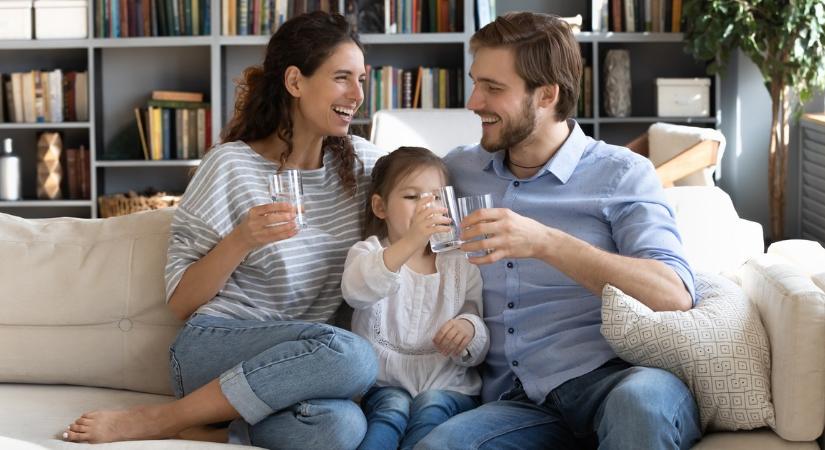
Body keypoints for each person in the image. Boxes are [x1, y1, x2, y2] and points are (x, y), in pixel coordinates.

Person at [63, 11, 385, 450]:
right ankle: (160, 419)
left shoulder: (362, 166)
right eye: (342, 78)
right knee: (354, 356)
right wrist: (242, 239)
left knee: (341, 427)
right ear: (295, 81)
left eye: (362, 80)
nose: (357, 94)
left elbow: (425, 181)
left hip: (299, 367)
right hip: (214, 347)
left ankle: (207, 426)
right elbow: (181, 302)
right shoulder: (231, 166)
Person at [416, 12, 702, 450]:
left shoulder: (621, 173)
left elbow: (674, 295)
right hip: (518, 402)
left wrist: (545, 242)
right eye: (476, 83)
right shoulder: (457, 171)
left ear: (547, 94)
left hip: (617, 381)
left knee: (641, 404)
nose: (473, 102)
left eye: (493, 88)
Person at [341, 147, 490, 450]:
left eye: (436, 198)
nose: (426, 207)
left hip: (449, 386)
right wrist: (411, 241)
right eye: (411, 197)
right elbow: (356, 291)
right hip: (385, 386)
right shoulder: (368, 253)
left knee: (432, 407)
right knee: (391, 410)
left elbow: (477, 322)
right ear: (380, 207)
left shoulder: (460, 261)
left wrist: (469, 329)